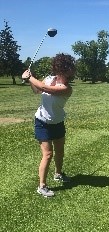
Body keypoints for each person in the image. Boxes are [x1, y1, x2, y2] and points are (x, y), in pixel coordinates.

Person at [22, 53, 76, 197]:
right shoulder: (49, 79)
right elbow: (37, 90)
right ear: (61, 69)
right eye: (69, 68)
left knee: (60, 152)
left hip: (58, 122)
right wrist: (30, 80)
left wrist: (30, 77)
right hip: (42, 122)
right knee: (48, 154)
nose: (72, 72)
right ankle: (42, 186)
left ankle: (58, 174)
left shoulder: (66, 88)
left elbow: (46, 89)